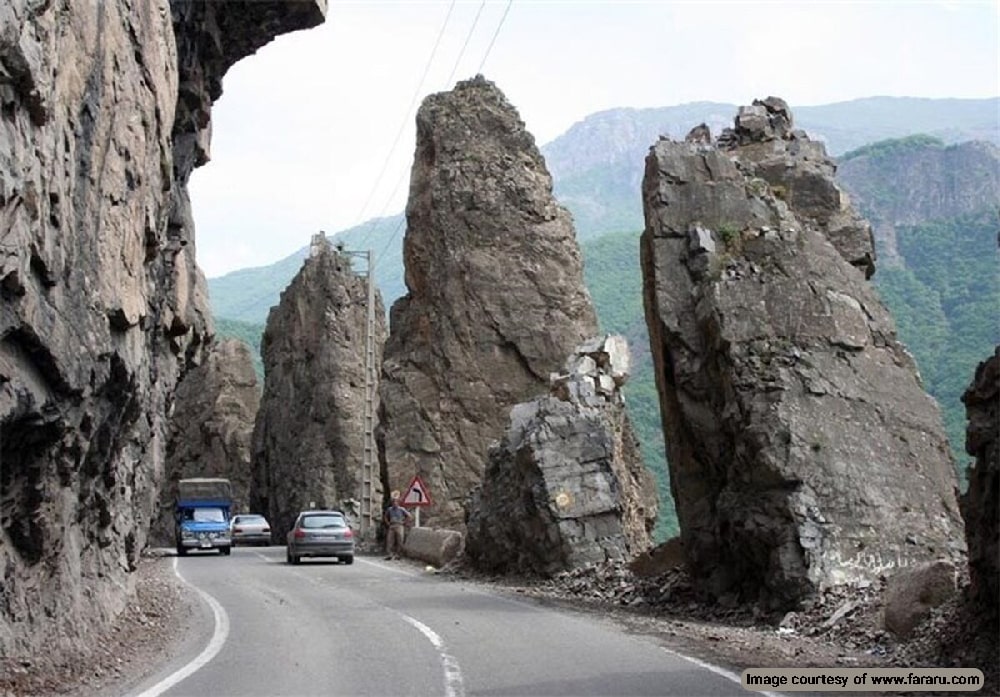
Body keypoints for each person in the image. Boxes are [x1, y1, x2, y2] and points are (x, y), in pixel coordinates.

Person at [383, 493, 412, 560]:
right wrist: (388, 523)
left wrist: (404, 522)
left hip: (399, 525)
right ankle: (389, 554)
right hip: (392, 525)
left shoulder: (401, 509)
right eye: (393, 502)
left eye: (396, 502)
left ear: (398, 503)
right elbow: (385, 516)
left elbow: (409, 516)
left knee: (400, 540)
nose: (394, 503)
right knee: (390, 540)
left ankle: (398, 554)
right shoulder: (389, 509)